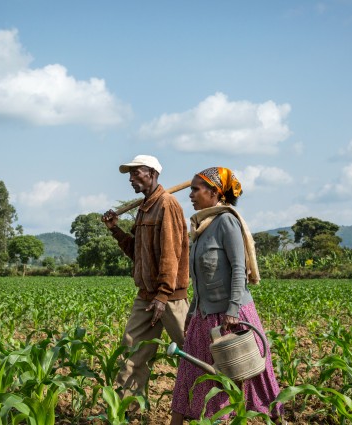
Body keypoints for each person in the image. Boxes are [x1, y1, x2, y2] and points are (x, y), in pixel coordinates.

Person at [170, 167, 282, 424]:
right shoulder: (200, 226)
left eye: (196, 190)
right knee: (191, 374)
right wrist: (191, 312)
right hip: (203, 316)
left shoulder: (226, 221)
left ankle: (276, 418)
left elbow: (238, 269)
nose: (191, 195)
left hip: (230, 316)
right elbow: (200, 278)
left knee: (250, 375)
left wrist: (232, 311)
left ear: (214, 192)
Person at [102, 154, 190, 401]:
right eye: (129, 174)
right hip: (146, 296)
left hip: (169, 297)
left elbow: (171, 253)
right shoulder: (144, 210)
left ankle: (222, 403)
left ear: (152, 173)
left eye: (135, 172)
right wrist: (115, 230)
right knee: (132, 352)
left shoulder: (166, 204)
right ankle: (124, 409)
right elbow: (137, 253)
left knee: (193, 352)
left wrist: (163, 295)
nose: (131, 178)